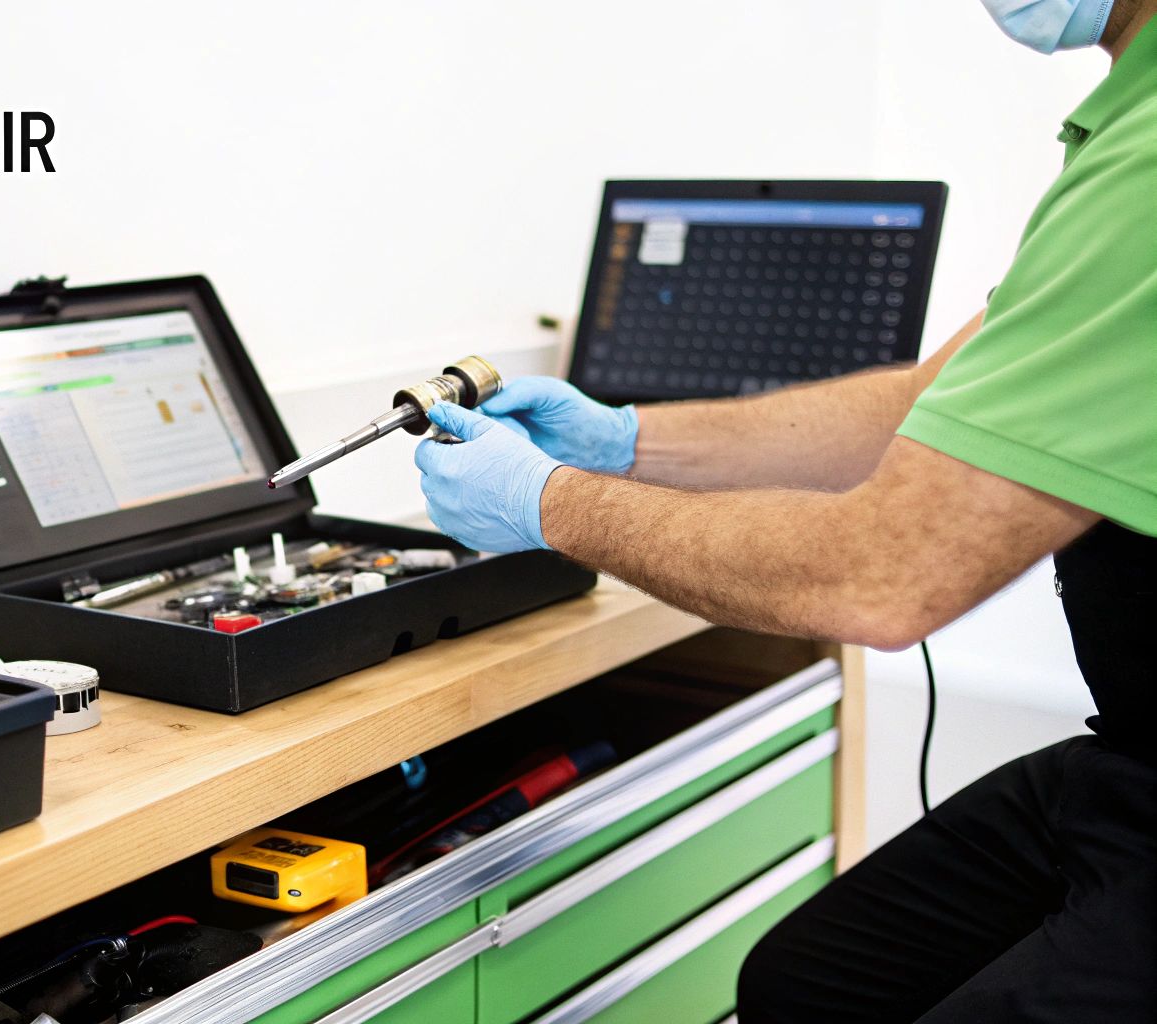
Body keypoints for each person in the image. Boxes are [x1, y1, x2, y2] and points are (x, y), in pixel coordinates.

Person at [413, 1, 1156, 1019]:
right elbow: (926, 396)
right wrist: (626, 440)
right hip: (1131, 763)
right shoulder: (1124, 123)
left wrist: (550, 502)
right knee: (804, 983)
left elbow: (879, 577)